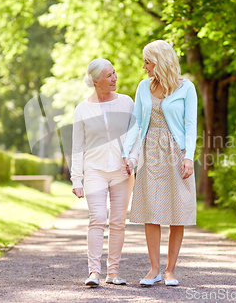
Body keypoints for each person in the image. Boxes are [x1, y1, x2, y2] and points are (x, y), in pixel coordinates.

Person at [122, 40, 197, 287]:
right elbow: (137, 123)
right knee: (150, 210)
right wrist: (127, 153)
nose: (144, 67)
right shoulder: (143, 87)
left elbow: (190, 125)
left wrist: (189, 156)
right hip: (149, 152)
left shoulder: (186, 88)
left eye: (147, 61)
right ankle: (153, 269)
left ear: (160, 62)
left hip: (177, 153)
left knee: (178, 212)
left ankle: (170, 271)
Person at [71, 58, 139, 286]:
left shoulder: (127, 102)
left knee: (118, 221)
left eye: (114, 73)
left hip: (122, 171)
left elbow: (135, 135)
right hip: (94, 171)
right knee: (98, 218)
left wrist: (132, 159)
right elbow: (77, 146)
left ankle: (114, 272)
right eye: (109, 75)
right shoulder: (82, 109)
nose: (114, 78)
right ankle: (94, 272)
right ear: (95, 81)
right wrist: (76, 178)